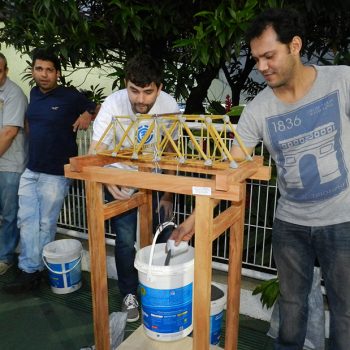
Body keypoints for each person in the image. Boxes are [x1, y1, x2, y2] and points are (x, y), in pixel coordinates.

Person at [171, 8, 350, 349]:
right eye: (256, 58)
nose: (262, 66)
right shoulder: (259, 110)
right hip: (291, 225)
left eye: (269, 55)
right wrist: (194, 221)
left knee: (345, 312)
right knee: (292, 307)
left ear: (294, 45)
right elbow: (230, 172)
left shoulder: (341, 81)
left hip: (342, 220)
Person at [89, 53, 180, 322]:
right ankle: (129, 294)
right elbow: (97, 150)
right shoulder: (113, 103)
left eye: (148, 92)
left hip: (153, 180)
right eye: (134, 90)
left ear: (159, 88)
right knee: (126, 241)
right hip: (120, 180)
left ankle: (160, 292)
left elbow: (171, 152)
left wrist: (168, 195)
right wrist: (106, 177)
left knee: (162, 237)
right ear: (126, 83)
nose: (140, 99)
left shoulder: (169, 105)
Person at [3, 48, 96, 293]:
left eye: (49, 70)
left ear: (58, 73)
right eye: (39, 69)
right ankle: (29, 269)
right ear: (33, 70)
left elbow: (95, 106)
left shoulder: (69, 96)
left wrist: (87, 113)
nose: (44, 75)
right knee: (27, 221)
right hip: (31, 170)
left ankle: (39, 271)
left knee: (45, 222)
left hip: (56, 173)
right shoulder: (34, 93)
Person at [0, 53, 28, 275]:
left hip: (10, 166)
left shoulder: (13, 94)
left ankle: (5, 257)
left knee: (9, 214)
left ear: (6, 71)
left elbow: (9, 133)